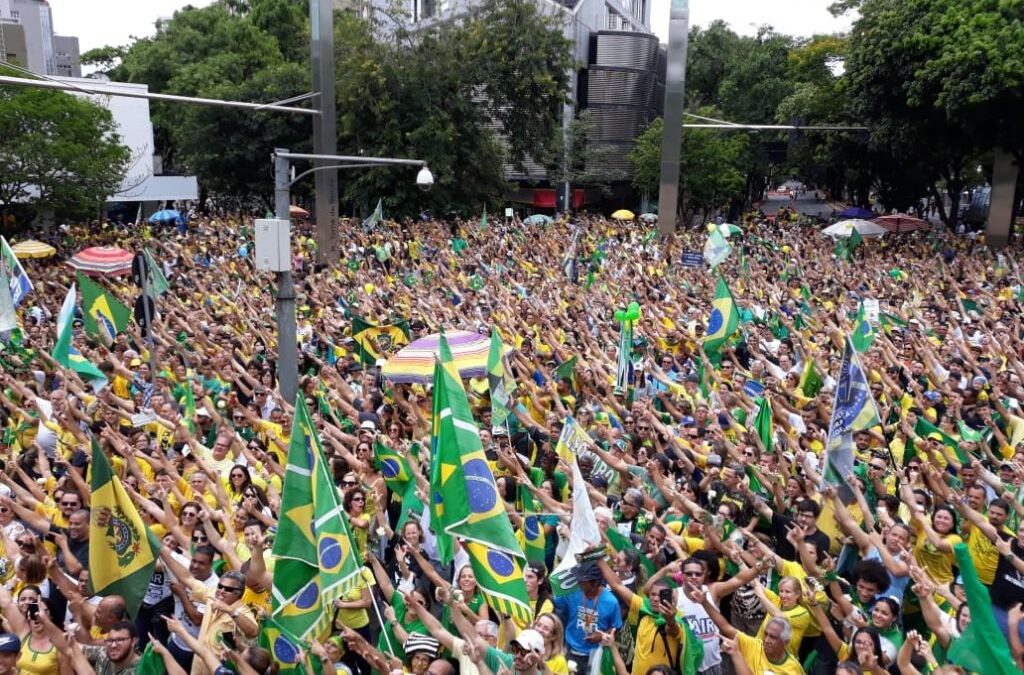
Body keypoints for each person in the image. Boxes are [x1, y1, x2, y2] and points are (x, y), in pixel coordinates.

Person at [554, 560, 623, 673]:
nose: (578, 581)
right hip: (570, 650)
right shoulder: (571, 592)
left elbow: (616, 627)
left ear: (594, 583)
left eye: (582, 580)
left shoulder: (611, 602)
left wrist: (601, 636)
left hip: (595, 655)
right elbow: (558, 607)